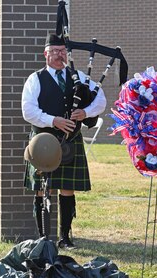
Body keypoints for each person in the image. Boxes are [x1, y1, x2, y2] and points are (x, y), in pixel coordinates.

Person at [21, 33, 106, 249]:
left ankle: (65, 237)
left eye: (62, 52)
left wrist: (85, 112)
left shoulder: (78, 77)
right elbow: (28, 111)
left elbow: (101, 100)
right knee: (41, 188)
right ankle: (43, 238)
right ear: (46, 54)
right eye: (55, 52)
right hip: (43, 141)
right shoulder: (35, 79)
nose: (59, 56)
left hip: (70, 141)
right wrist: (54, 120)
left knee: (67, 187)